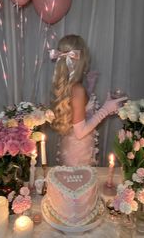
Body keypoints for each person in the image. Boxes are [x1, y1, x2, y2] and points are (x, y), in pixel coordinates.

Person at [50, 34, 127, 166]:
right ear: (82, 58)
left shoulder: (71, 85)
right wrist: (105, 110)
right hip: (78, 153)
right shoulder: (77, 89)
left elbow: (77, 113)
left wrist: (92, 92)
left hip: (70, 146)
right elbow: (80, 133)